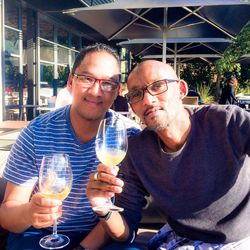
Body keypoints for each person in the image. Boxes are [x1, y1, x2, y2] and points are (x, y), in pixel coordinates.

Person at [85, 60, 250, 249]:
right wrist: (102, 205)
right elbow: (126, 232)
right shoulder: (136, 152)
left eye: (157, 86)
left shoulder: (228, 122)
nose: (148, 100)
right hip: (179, 238)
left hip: (238, 241)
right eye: (136, 94)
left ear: (181, 89)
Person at [0, 43, 141, 250]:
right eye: (87, 78)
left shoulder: (127, 136)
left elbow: (121, 216)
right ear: (70, 82)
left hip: (98, 234)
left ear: (117, 91)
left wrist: (82, 248)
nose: (96, 91)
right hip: (40, 234)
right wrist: (29, 212)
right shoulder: (37, 131)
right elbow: (7, 213)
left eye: (108, 84)